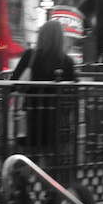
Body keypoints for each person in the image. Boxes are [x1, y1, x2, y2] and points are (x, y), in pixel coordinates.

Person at [11, 19, 77, 156]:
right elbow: (74, 89)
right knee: (52, 155)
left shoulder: (30, 55)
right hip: (56, 117)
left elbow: (14, 83)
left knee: (30, 154)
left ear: (41, 35)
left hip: (32, 113)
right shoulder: (67, 61)